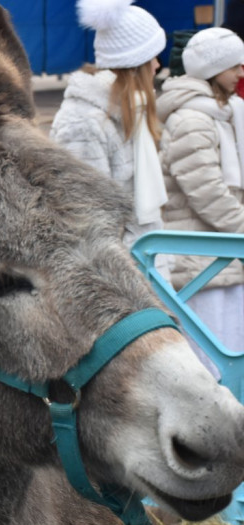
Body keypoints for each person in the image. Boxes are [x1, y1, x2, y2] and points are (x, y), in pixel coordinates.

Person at [156, 27, 244, 377]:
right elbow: (206, 192)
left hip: (221, 255)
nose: (241, 70)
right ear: (212, 69)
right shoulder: (193, 119)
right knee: (209, 361)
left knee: (230, 350)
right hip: (201, 263)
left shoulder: (224, 113)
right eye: (234, 64)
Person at [50, 0, 169, 257]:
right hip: (121, 276)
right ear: (136, 64)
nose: (158, 66)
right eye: (153, 57)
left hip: (146, 261)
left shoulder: (133, 111)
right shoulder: (83, 121)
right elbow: (86, 218)